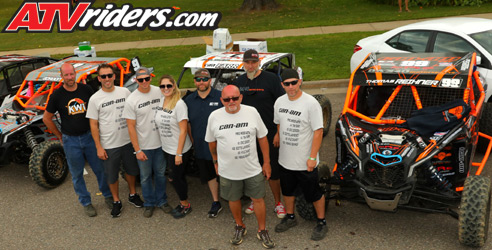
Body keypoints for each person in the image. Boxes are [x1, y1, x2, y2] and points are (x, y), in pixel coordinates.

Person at [206, 85, 275, 249]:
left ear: (241, 98)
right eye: (227, 99)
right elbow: (211, 143)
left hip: (252, 168)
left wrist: (266, 162)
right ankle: (239, 226)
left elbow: (263, 139)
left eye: (235, 98)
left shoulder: (251, 112)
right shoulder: (214, 116)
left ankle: (262, 229)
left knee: (258, 199)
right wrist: (215, 162)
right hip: (228, 170)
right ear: (221, 100)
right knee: (233, 199)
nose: (231, 102)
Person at [42, 63, 112, 217]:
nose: (69, 77)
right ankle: (86, 202)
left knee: (100, 169)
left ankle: (108, 196)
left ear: (75, 74)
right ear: (62, 77)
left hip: (90, 137)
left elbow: (97, 107)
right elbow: (47, 118)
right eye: (66, 75)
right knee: (77, 174)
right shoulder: (56, 96)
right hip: (70, 141)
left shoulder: (86, 90)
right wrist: (60, 136)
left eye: (71, 74)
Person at [272, 68, 327, 241]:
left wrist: (312, 158)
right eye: (287, 84)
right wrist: (277, 134)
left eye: (294, 82)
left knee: (313, 193)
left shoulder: (310, 103)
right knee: (287, 191)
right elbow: (279, 122)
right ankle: (290, 217)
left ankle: (321, 222)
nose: (291, 87)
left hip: (305, 162)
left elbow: (318, 131)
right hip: (285, 159)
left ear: (300, 81)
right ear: (282, 85)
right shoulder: (279, 102)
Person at [232, 49, 286, 219]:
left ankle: (278, 202)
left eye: (254, 62)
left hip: (269, 133)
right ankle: (256, 200)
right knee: (253, 170)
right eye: (247, 62)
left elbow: (281, 106)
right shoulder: (238, 82)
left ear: (259, 62)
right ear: (243, 63)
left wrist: (278, 132)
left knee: (273, 171)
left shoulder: (271, 79)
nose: (250, 65)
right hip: (247, 135)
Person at [86, 63, 144, 218]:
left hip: (127, 141)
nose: (107, 79)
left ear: (114, 76)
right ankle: (117, 201)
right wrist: (98, 147)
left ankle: (132, 194)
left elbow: (134, 111)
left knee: (132, 171)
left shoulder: (124, 92)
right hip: (109, 144)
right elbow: (93, 124)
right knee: (111, 175)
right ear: (99, 79)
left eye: (109, 75)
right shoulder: (94, 99)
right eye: (103, 76)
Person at [123, 67, 171, 218]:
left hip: (162, 144)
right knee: (145, 177)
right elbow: (130, 126)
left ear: (151, 78)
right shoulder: (132, 99)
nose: (144, 82)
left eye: (147, 78)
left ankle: (162, 201)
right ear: (136, 80)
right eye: (140, 79)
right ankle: (149, 203)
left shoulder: (160, 91)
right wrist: (137, 150)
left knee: (160, 174)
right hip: (144, 146)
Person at [183, 68, 223, 218]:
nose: (201, 82)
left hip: (222, 146)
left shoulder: (220, 97)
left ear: (210, 81)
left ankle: (235, 199)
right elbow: (187, 124)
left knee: (227, 174)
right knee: (210, 175)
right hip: (201, 146)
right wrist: (192, 141)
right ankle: (216, 201)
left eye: (205, 79)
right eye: (198, 79)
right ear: (194, 81)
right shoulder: (188, 101)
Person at [154, 75, 193, 219]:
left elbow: (183, 130)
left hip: (179, 149)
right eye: (162, 86)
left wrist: (179, 153)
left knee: (176, 178)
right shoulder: (161, 101)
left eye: (168, 86)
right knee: (174, 175)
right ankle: (183, 198)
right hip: (166, 147)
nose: (166, 89)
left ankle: (185, 204)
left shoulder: (179, 104)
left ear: (174, 86)